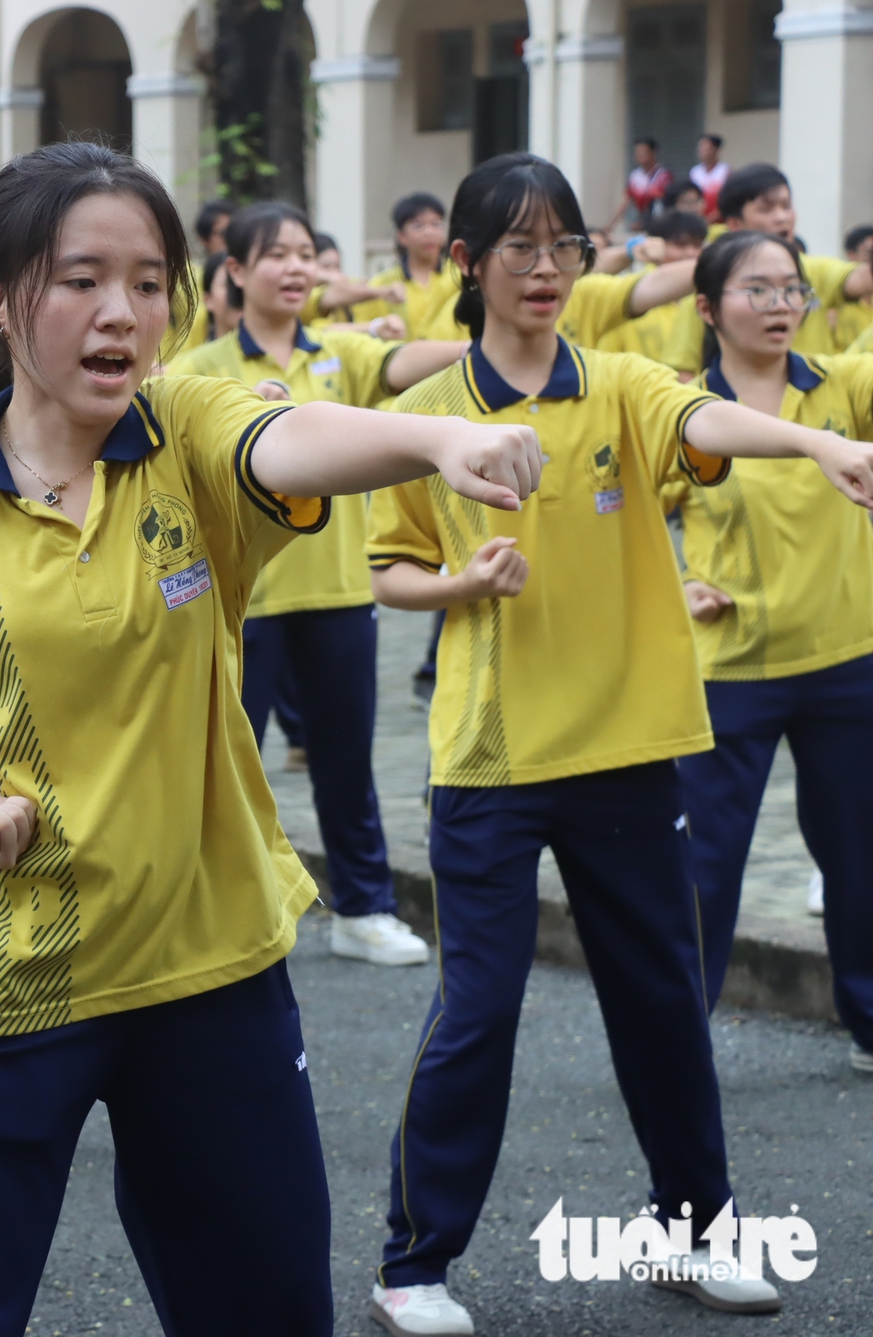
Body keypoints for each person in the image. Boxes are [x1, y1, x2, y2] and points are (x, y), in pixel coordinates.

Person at [0, 139, 544, 1337]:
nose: (123, 314)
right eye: (80, 278)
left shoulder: (188, 432)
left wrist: (431, 443)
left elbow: (288, 437)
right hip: (1, 979)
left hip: (211, 967)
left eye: (148, 282)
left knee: (262, 1307)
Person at [361, 151, 873, 1334]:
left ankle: (691, 1229)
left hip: (629, 747)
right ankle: (414, 1261)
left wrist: (815, 446)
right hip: (489, 763)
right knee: (477, 1009)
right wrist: (458, 582)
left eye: (564, 249)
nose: (544, 271)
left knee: (656, 997)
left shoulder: (624, 385)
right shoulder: (424, 416)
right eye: (518, 251)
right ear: (466, 265)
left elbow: (701, 416)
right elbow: (386, 569)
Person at [170, 201, 470, 969]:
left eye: (307, 253)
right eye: (278, 254)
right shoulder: (201, 370)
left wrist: (489, 340)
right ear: (234, 271)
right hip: (242, 599)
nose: (298, 267)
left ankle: (363, 907)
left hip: (338, 590)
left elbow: (413, 363)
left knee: (346, 761)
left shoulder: (342, 348)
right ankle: (208, 916)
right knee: (221, 766)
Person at [664, 229, 873, 1074]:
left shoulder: (845, 385)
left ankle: (868, 1017)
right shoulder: (684, 409)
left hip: (849, 661)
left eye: (793, 289)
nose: (782, 305)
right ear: (709, 308)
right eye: (759, 290)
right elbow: (629, 515)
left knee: (859, 856)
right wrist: (671, 590)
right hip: (732, 671)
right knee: (705, 866)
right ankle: (678, 1038)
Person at [717, 164, 873, 356]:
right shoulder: (712, 278)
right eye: (766, 210)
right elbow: (686, 368)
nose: (782, 217)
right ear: (735, 224)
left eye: (786, 206)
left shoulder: (814, 269)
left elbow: (863, 279)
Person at [595, 210, 711, 369]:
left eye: (697, 245)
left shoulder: (706, 296)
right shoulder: (630, 295)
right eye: (680, 244)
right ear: (655, 244)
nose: (691, 253)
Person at [368, 193, 460, 338]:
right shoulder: (382, 285)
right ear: (401, 236)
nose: (429, 232)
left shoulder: (459, 276)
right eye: (418, 226)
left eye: (436, 224)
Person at [612, 137, 673, 234]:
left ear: (653, 153)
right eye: (637, 152)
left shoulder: (663, 175)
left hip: (661, 221)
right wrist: (612, 225)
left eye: (643, 152)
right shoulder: (634, 176)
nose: (639, 155)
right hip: (643, 221)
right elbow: (626, 201)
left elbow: (662, 199)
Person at [692, 133, 729, 221]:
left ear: (716, 150)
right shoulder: (694, 172)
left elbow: (728, 199)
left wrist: (710, 219)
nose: (702, 151)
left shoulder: (725, 172)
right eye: (700, 147)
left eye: (706, 148)